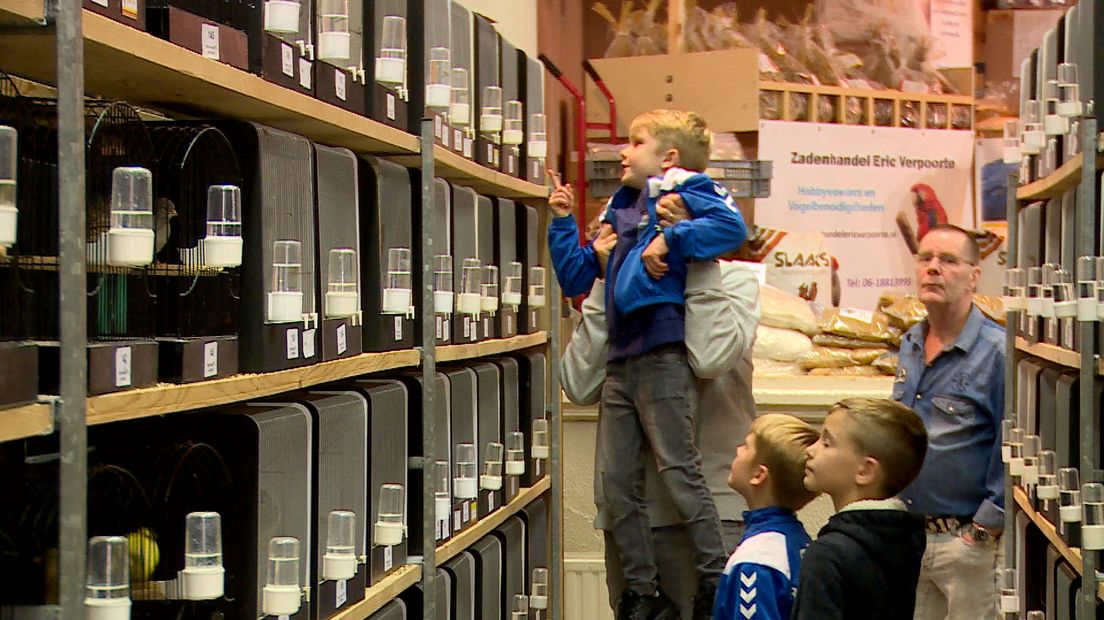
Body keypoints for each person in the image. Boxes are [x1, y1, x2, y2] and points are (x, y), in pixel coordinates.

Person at [548, 109, 747, 619]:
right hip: (623, 367)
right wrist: (570, 230)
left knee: (678, 469)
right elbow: (576, 374)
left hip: (665, 370)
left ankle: (711, 578)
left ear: (671, 160)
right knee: (619, 481)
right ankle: (640, 590)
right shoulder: (623, 213)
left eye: (635, 142)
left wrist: (676, 239)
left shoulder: (695, 216)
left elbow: (709, 356)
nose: (621, 151)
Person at [560, 222, 759, 619]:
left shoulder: (733, 282)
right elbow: (579, 385)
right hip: (631, 522)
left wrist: (692, 264)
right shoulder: (615, 292)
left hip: (711, 517)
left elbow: (709, 358)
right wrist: (607, 282)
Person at [894, 223, 1006, 620]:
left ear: (974, 276)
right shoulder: (910, 342)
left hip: (967, 545)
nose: (933, 268)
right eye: (925, 258)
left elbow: (1011, 447)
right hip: (910, 538)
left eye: (948, 260)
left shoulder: (996, 353)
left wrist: (982, 531)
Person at [792, 397, 929, 620]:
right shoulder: (910, 540)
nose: (810, 450)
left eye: (826, 443)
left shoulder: (827, 555)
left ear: (865, 470)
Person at [712, 414, 818, 620]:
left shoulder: (757, 559)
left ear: (758, 475)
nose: (737, 449)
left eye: (746, 446)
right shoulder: (796, 539)